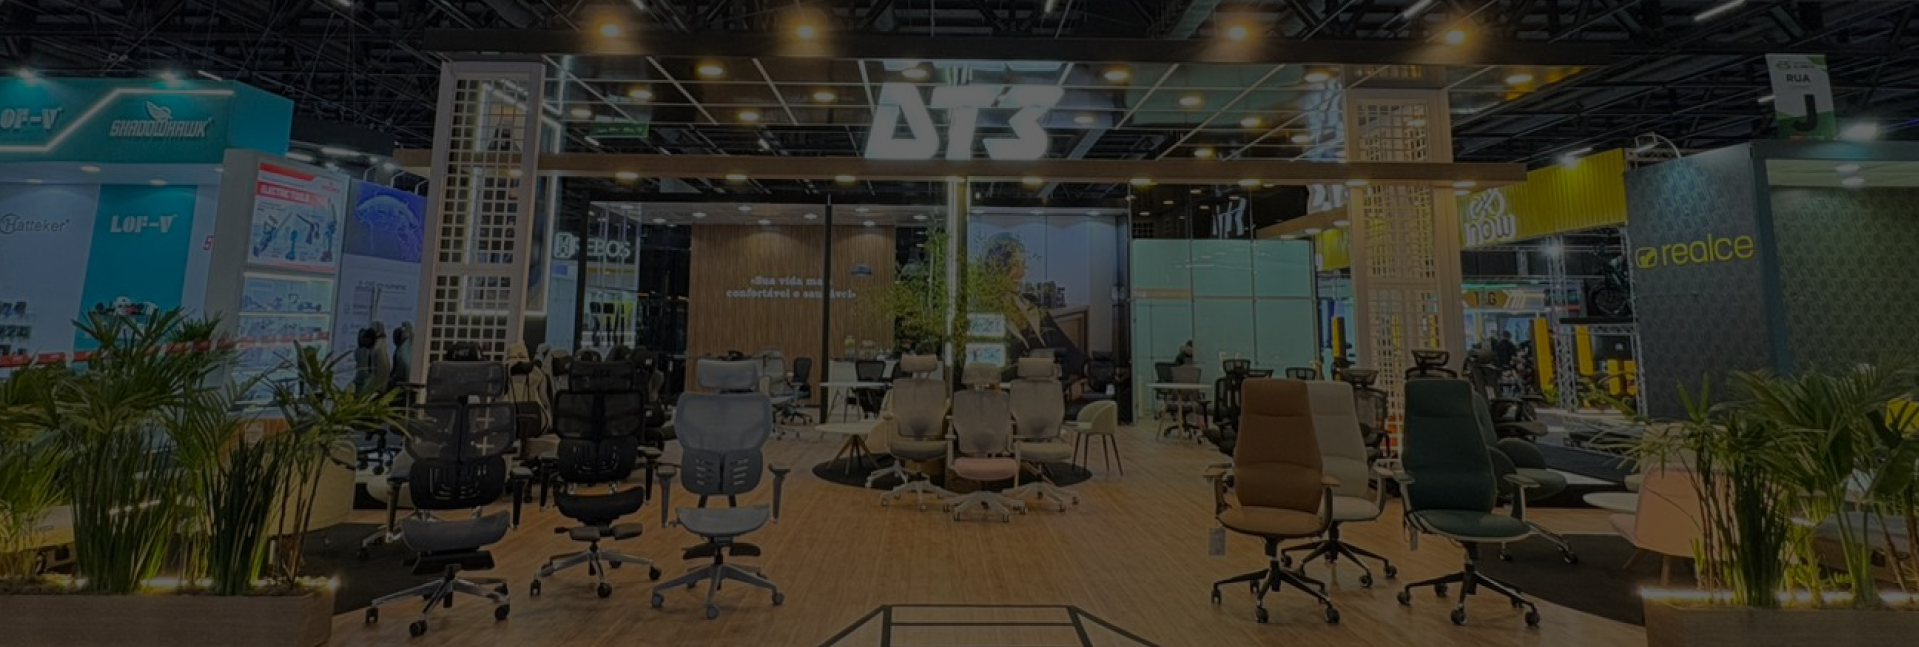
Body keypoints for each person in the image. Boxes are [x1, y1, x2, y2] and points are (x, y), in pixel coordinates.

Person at [981, 233, 1085, 371]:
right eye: (1014, 264)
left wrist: (1088, 367)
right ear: (996, 266)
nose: (1022, 272)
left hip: (1047, 383)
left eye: (1023, 264)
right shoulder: (982, 313)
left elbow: (1066, 349)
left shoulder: (1032, 303)